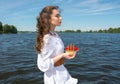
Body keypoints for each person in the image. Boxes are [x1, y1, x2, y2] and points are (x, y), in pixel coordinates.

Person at [35, 6, 78, 84]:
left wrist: (66, 54)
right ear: (48, 19)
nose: (61, 18)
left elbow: (55, 55)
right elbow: (43, 65)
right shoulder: (47, 38)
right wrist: (62, 55)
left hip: (62, 72)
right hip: (54, 78)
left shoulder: (55, 35)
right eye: (57, 16)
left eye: (60, 15)